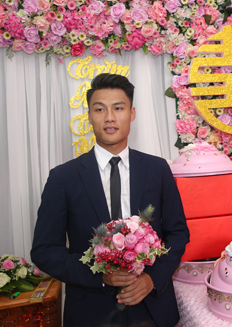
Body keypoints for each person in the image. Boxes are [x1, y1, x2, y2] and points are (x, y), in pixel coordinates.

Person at [31, 74, 190, 327]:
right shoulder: (63, 177)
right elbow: (45, 250)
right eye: (99, 109)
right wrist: (99, 276)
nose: (109, 117)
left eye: (118, 108)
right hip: (90, 311)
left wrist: (152, 279)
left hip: (151, 307)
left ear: (132, 113)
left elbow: (178, 233)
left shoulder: (157, 169)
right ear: (89, 116)